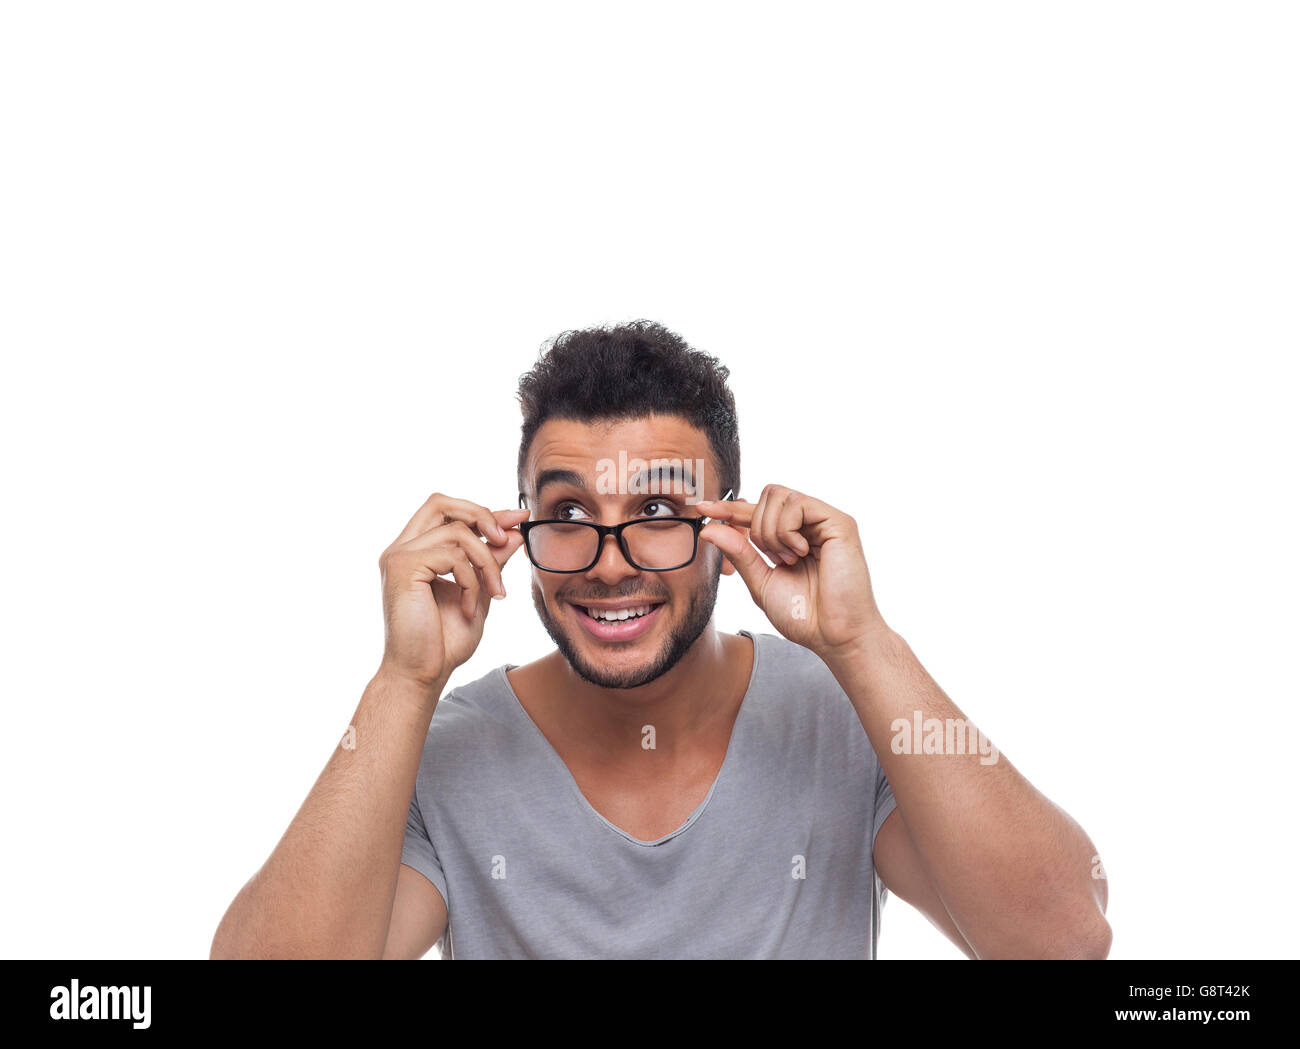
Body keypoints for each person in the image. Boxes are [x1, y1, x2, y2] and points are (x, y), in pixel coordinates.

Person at [210, 320, 1111, 960]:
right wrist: (404, 681)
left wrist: (859, 638)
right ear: (513, 526)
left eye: (657, 512)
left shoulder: (840, 715)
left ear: (728, 525)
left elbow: (1063, 940)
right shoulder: (443, 753)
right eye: (568, 513)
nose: (610, 564)